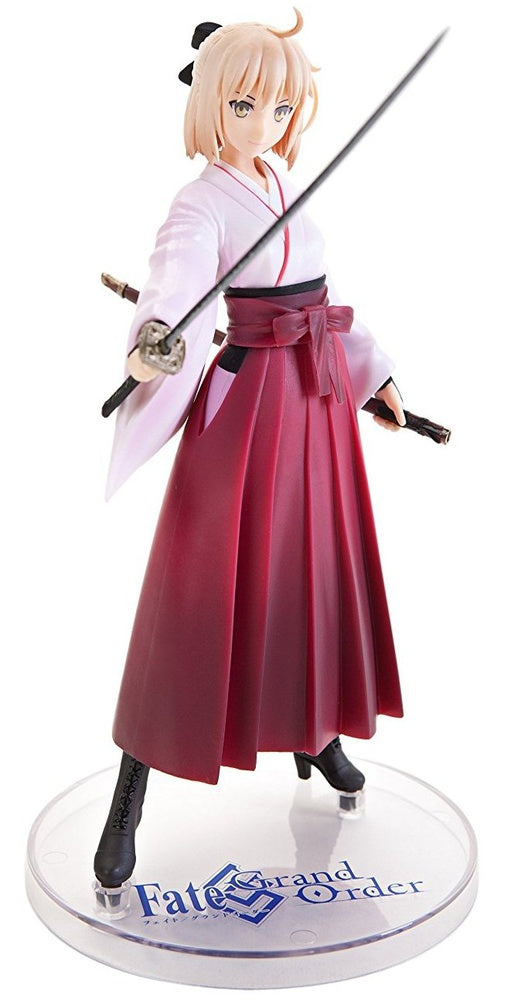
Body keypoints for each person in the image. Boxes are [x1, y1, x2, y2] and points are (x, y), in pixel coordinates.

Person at [94, 10, 405, 891]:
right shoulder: (200, 204)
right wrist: (154, 340)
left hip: (316, 404)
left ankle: (315, 733)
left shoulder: (280, 182)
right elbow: (175, 287)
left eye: (280, 109)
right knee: (197, 593)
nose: (263, 124)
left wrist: (374, 373)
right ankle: (131, 790)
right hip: (246, 410)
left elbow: (322, 299)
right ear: (209, 103)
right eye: (243, 105)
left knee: (311, 574)